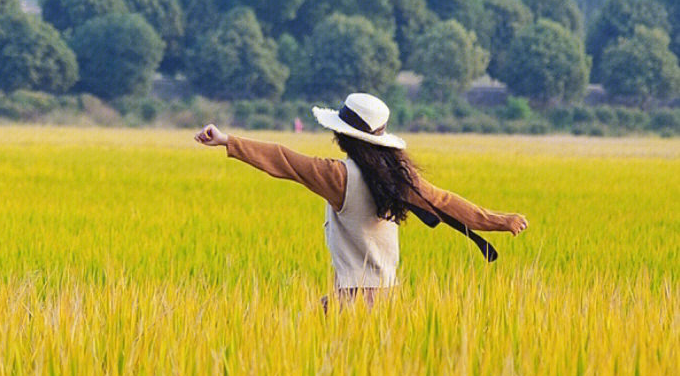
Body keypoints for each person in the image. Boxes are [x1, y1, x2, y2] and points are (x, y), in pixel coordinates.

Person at [195, 91, 528, 309]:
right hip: (388, 298)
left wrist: (227, 140)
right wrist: (499, 221)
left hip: (351, 300)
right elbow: (444, 200)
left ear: (341, 135)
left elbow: (284, 159)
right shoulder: (398, 177)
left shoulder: (338, 176)